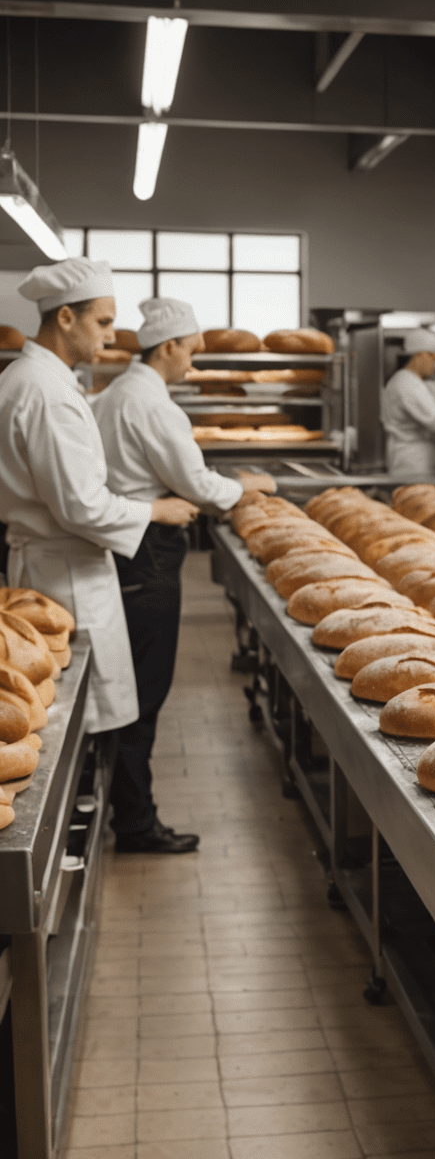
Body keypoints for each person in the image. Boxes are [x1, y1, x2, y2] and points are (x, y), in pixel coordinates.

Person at [94, 297, 277, 854]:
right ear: (168, 346)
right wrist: (248, 486)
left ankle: (128, 811)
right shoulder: (150, 403)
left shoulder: (115, 393)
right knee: (144, 689)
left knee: (131, 685)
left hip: (126, 548)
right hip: (145, 551)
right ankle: (135, 823)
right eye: (192, 352)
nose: (194, 364)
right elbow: (195, 483)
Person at [0, 258, 198, 750]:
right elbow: (81, 507)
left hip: (56, 562)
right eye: (104, 322)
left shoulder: (35, 379)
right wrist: (156, 510)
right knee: (79, 721)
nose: (113, 338)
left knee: (84, 713)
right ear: (65, 318)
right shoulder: (47, 393)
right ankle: (103, 819)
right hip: (65, 571)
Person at [381, 327, 435, 477]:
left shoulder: (407, 380)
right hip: (413, 464)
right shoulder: (407, 382)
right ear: (420, 355)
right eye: (434, 358)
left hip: (411, 461)